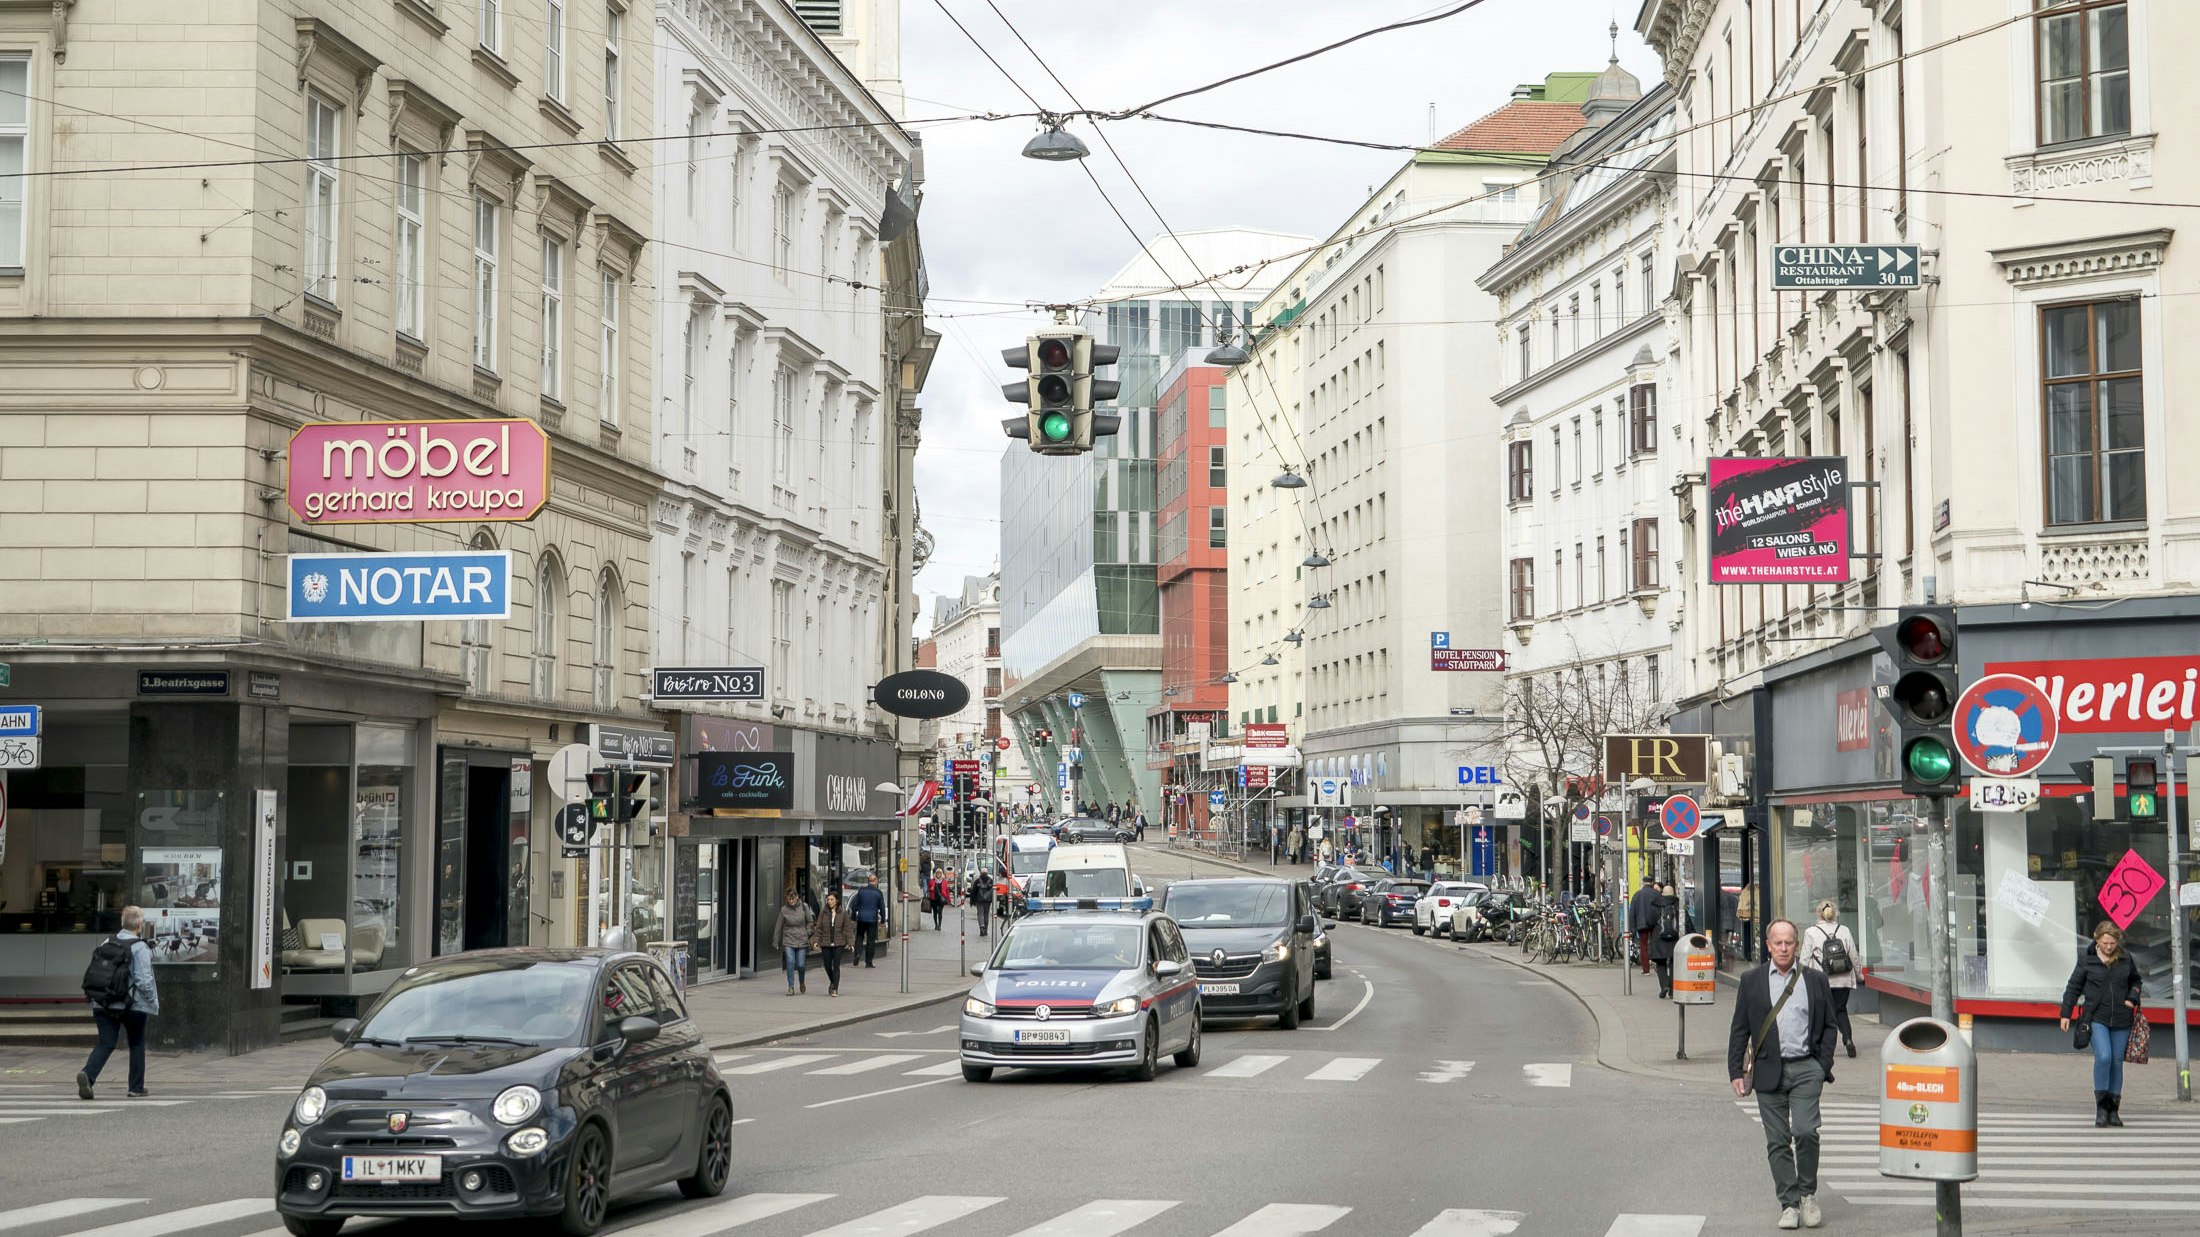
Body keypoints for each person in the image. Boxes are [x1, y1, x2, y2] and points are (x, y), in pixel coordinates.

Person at [1728, 919, 1837, 1231]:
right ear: (1768, 945)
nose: (1784, 948)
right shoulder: (1752, 981)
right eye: (1778, 942)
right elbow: (1740, 1028)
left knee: (1805, 1132)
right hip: (1767, 1069)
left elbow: (1830, 1025)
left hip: (1806, 1068)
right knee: (1777, 1141)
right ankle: (1789, 1204)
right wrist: (1736, 1070)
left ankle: (1808, 1195)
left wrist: (1822, 1065)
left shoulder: (1815, 980)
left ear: (1797, 944)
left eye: (1789, 942)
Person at [2060, 921, 2143, 1128]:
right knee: (2104, 1057)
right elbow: (2073, 987)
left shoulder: (2125, 959)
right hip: (2096, 1017)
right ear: (2097, 940)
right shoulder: (2087, 960)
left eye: (2112, 943)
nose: (2109, 947)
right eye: (2105, 942)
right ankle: (2101, 1110)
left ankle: (2114, 1110)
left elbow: (2136, 981)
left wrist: (2132, 998)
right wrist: (2066, 1013)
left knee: (2116, 1062)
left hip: (2122, 1018)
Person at [77, 906, 158, 1101]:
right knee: (136, 1043)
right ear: (139, 925)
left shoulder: (107, 941)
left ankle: (88, 1075)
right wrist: (152, 1001)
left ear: (122, 923)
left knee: (106, 1043)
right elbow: (144, 980)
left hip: (103, 1002)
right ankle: (136, 1087)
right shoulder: (139, 947)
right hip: (132, 1004)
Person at [1802, 900, 1861, 1059]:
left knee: (1820, 1011)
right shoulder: (1844, 930)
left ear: (1818, 914)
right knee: (1840, 1010)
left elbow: (1804, 959)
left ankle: (1819, 1045)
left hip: (1820, 980)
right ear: (1835, 914)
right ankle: (1847, 1039)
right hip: (1843, 979)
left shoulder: (1810, 932)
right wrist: (1859, 974)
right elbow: (1854, 956)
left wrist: (1799, 980)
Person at [809, 891, 855, 997]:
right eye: (828, 899)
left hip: (839, 943)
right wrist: (816, 941)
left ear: (837, 900)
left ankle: (835, 989)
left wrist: (851, 943)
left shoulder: (843, 913)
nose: (829, 901)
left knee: (836, 966)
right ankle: (832, 981)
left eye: (831, 899)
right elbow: (819, 928)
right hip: (826, 943)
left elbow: (848, 929)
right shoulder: (823, 912)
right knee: (827, 966)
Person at [774, 889, 815, 995]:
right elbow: (779, 926)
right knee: (790, 962)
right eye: (789, 899)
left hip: (802, 939)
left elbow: (810, 922)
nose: (791, 901)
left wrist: (808, 932)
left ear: (797, 897)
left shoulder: (804, 907)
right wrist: (776, 941)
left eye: (792, 899)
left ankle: (802, 982)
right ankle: (791, 987)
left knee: (801, 965)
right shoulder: (784, 910)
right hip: (788, 939)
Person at [1647, 884, 1680, 998]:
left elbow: (1649, 921)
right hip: (1675, 939)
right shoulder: (1678, 904)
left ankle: (1664, 985)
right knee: (1674, 963)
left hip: (1659, 938)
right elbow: (1686, 922)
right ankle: (1672, 989)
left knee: (1660, 963)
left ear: (1662, 893)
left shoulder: (1655, 905)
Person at [851, 874, 886, 967]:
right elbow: (882, 907)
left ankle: (857, 953)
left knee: (859, 937)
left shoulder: (861, 891)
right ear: (876, 881)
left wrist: (853, 917)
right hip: (872, 919)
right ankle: (868, 961)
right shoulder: (878, 892)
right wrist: (883, 920)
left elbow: (855, 905)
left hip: (861, 918)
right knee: (871, 940)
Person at [1628, 880, 1661, 976]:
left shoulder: (1637, 895)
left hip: (1641, 924)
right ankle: (1659, 966)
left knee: (1643, 946)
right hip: (1655, 923)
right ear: (1652, 883)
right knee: (1656, 944)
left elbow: (1632, 912)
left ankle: (1646, 969)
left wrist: (1632, 928)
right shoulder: (1657, 894)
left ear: (1643, 883)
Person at [968, 870, 995, 937]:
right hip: (988, 901)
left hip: (979, 901)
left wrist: (972, 901)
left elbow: (973, 891)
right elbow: (993, 891)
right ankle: (985, 929)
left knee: (980, 914)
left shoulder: (977, 881)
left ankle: (981, 927)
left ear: (981, 873)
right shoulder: (990, 881)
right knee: (986, 915)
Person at [1737, 883, 1760, 960]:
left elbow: (1740, 908)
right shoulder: (1758, 892)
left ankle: (1748, 954)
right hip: (1757, 917)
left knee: (1748, 932)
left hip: (1748, 918)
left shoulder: (1744, 893)